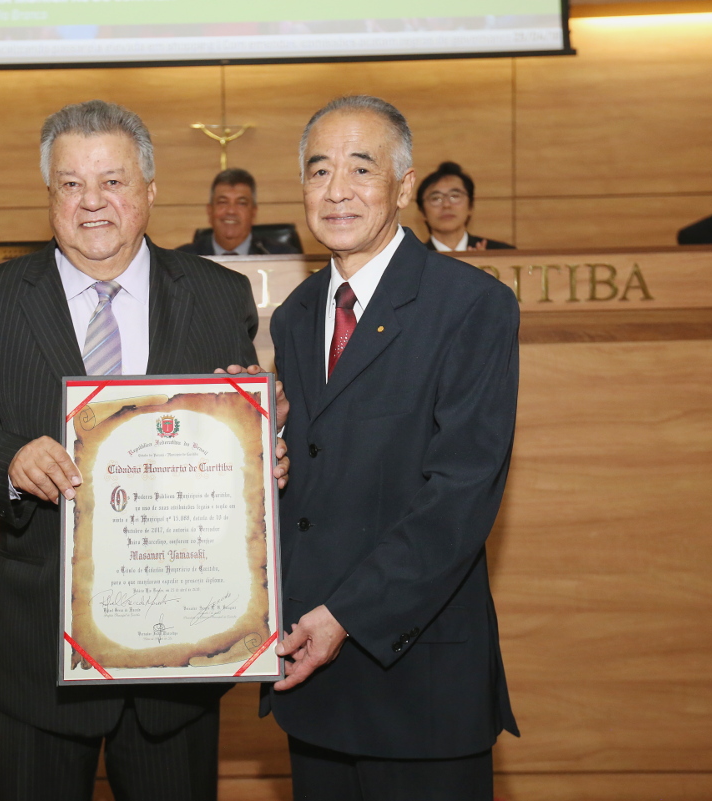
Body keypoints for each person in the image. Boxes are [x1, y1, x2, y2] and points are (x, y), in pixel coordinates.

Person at [0, 100, 288, 801]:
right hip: (40, 658)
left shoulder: (217, 296)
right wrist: (10, 461)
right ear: (49, 194)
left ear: (148, 189)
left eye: (111, 181)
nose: (92, 203)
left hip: (178, 657)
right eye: (71, 184)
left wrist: (264, 456)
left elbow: (234, 426)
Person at [264, 95, 520, 801]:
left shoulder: (471, 305)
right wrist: (259, 448)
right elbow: (323, 463)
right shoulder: (294, 316)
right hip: (313, 676)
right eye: (319, 171)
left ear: (404, 187)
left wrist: (346, 616)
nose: (336, 190)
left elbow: (460, 496)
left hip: (417, 679)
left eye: (360, 168)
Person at [177, 168, 301, 256]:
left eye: (241, 203)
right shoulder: (182, 259)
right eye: (223, 202)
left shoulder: (282, 257)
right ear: (209, 211)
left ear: (253, 212)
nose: (231, 211)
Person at [415, 160, 513, 251]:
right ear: (422, 212)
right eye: (436, 198)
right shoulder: (411, 260)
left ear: (470, 206)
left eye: (455, 196)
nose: (446, 205)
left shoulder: (503, 254)